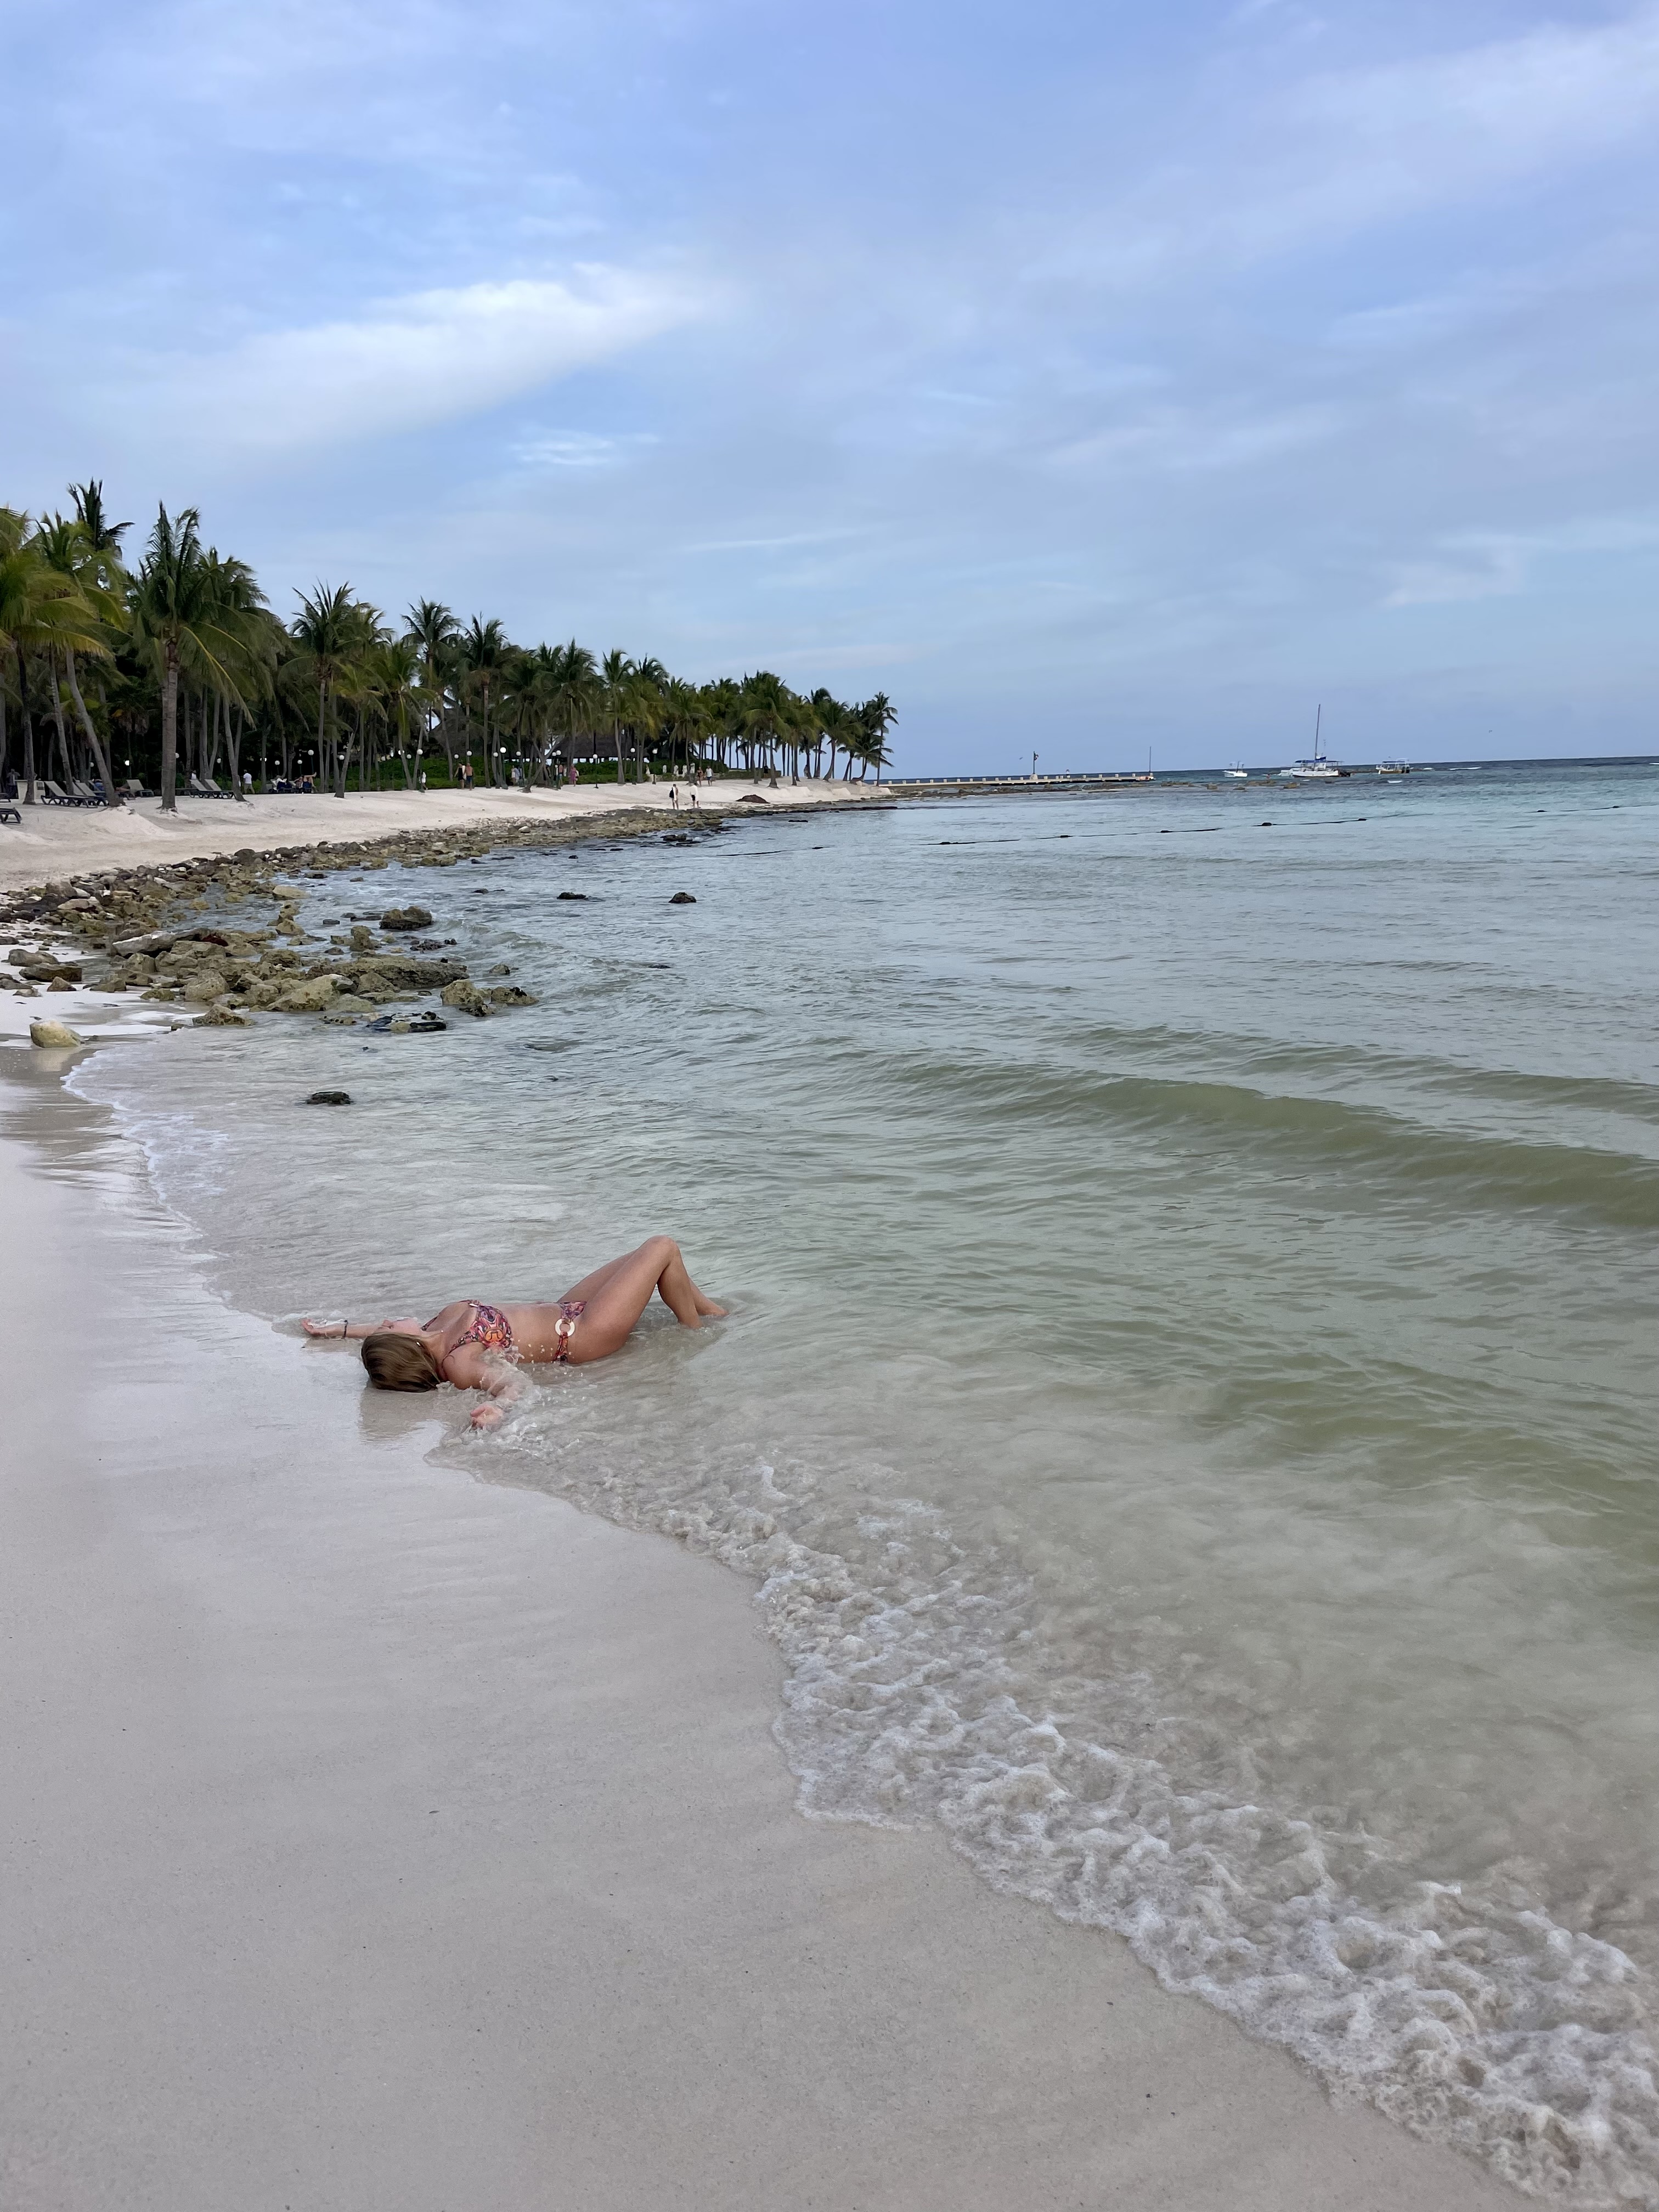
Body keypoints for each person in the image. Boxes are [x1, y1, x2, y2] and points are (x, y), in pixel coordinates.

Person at [303, 1237, 726, 1430]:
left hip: (567, 1308)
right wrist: (498, 1410)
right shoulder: (461, 1361)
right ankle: (695, 1330)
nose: (388, 1321)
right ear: (404, 1342)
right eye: (390, 1328)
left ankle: (710, 1312)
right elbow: (513, 1384)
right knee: (661, 1248)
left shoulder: (435, 1328)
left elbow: (375, 1331)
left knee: (645, 1258)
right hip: (586, 1334)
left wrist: (336, 1330)